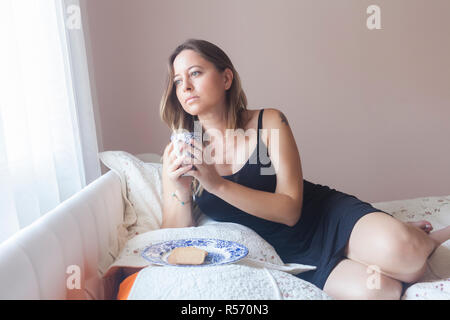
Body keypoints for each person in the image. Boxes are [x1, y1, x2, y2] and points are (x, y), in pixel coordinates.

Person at [118, 39, 450, 300]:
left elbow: (290, 209)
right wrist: (181, 187)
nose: (185, 86)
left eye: (195, 73)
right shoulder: (181, 151)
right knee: (382, 292)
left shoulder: (269, 122)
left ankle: (426, 237)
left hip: (324, 216)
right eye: (177, 80)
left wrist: (216, 184)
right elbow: (176, 233)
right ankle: (389, 236)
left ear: (226, 78)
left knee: (406, 257)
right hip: (289, 252)